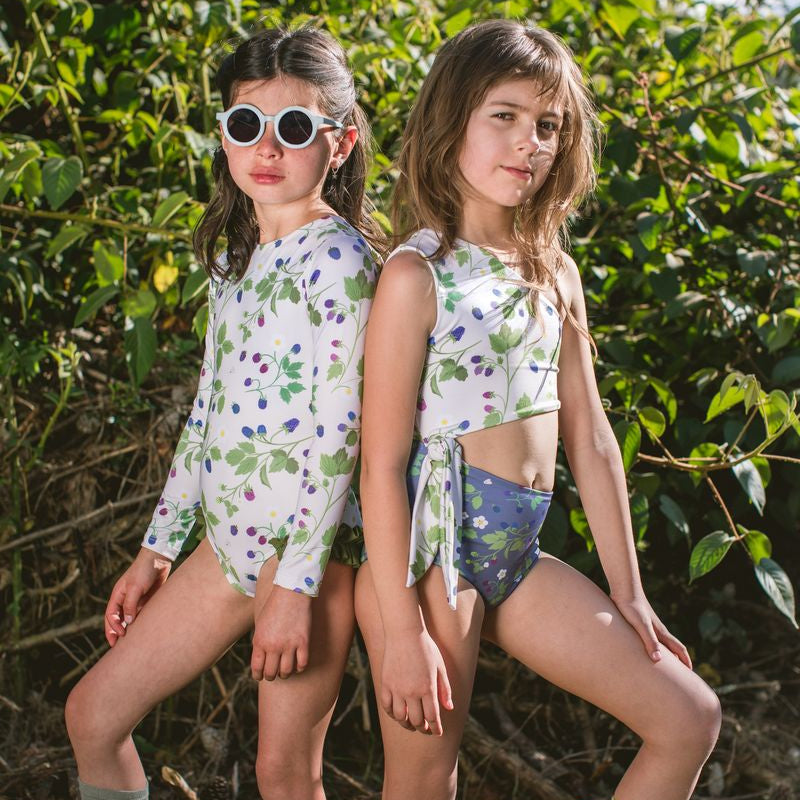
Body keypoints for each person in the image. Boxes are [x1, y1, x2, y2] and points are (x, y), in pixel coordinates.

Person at [355, 19, 721, 800]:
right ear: (451, 118)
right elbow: (380, 465)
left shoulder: (552, 269)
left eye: (548, 126)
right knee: (425, 784)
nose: (530, 142)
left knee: (689, 717)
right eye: (506, 115)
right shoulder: (417, 275)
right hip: (431, 556)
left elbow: (590, 438)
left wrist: (629, 591)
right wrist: (399, 627)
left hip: (517, 555)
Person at [65, 26, 381, 800]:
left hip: (307, 553)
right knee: (92, 716)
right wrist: (157, 548)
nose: (267, 147)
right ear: (223, 136)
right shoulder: (233, 260)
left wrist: (295, 589)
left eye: (295, 127)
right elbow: (207, 409)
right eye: (247, 124)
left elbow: (343, 435)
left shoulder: (341, 264)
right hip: (226, 542)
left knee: (283, 776)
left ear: (336, 146)